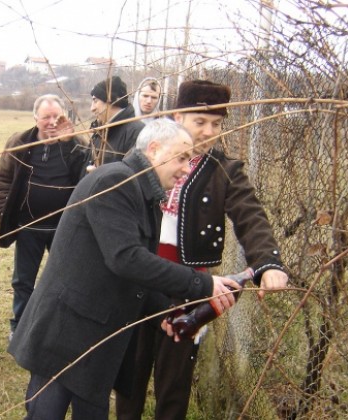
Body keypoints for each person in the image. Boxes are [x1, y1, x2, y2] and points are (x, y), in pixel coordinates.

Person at [8, 118, 243, 420]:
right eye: (182, 158)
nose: (187, 169)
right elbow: (126, 259)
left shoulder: (146, 194)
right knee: (45, 413)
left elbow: (135, 275)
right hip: (66, 330)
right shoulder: (115, 182)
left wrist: (166, 313)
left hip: (97, 330)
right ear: (154, 149)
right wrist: (203, 285)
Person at [115, 80, 289, 420]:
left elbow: (251, 215)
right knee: (129, 375)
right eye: (200, 122)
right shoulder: (147, 157)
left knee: (175, 383)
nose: (209, 131)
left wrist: (268, 262)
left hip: (189, 289)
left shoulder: (224, 170)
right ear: (178, 116)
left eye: (216, 123)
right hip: (139, 279)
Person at [0, 94, 86, 341]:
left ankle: (57, 327)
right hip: (28, 226)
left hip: (62, 228)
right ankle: (19, 327)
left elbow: (87, 176)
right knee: (23, 281)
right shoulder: (20, 142)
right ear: (36, 118)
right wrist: (6, 210)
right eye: (46, 117)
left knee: (63, 279)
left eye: (56, 116)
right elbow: (3, 179)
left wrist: (69, 143)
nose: (52, 122)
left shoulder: (75, 145)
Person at [84, 75, 144, 172]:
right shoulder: (100, 130)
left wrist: (100, 176)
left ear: (111, 101)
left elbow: (133, 177)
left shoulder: (137, 132)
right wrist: (68, 141)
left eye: (95, 101)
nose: (92, 108)